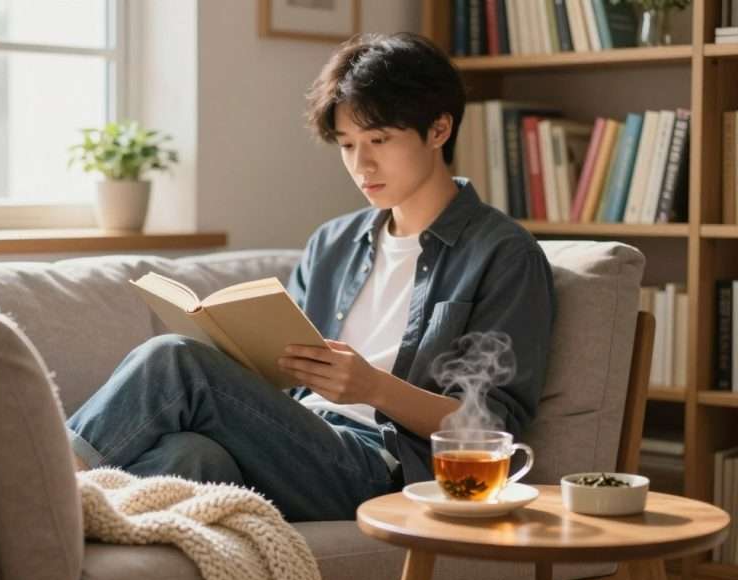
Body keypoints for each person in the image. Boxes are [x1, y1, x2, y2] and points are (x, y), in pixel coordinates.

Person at [67, 32, 555, 522]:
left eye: (379, 140)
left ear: (439, 129)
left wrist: (374, 388)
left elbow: (492, 427)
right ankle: (74, 530)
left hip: (383, 469)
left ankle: (48, 491)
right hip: (296, 442)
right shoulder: (332, 243)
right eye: (347, 145)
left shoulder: (504, 254)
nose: (361, 165)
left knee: (173, 358)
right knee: (190, 457)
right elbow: (281, 375)